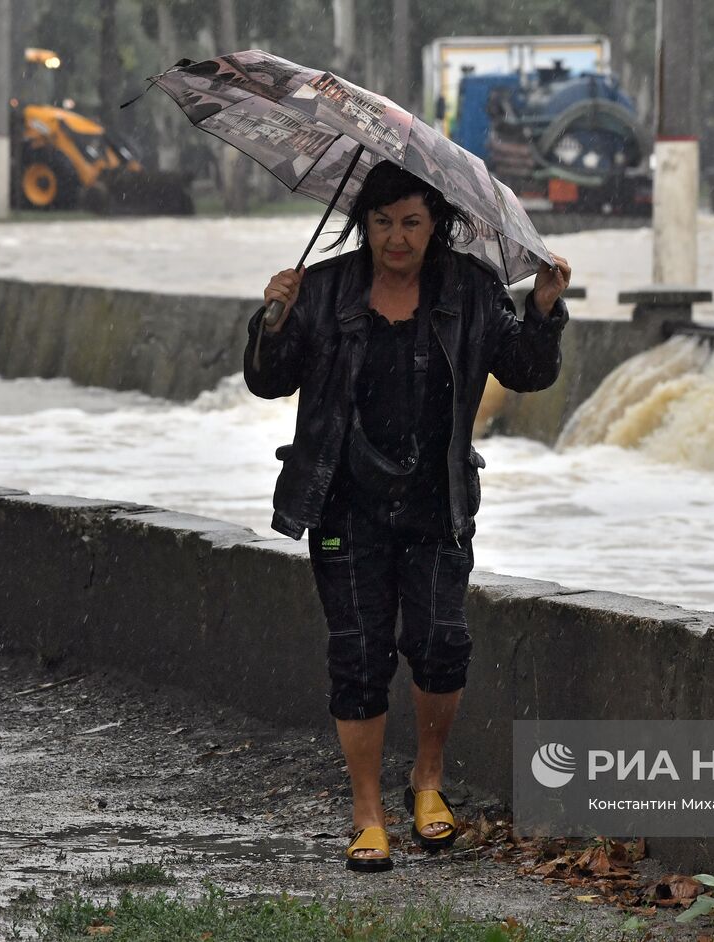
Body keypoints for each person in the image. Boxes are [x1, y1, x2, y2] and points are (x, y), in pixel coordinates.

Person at [243, 159, 571, 873]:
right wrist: (273, 317)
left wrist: (544, 309)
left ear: (437, 226)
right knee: (359, 657)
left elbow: (527, 371)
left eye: (412, 223)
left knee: (440, 644)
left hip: (437, 504)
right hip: (343, 502)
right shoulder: (326, 291)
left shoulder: (472, 290)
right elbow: (268, 381)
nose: (397, 237)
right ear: (364, 224)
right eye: (383, 222)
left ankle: (428, 780)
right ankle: (367, 814)